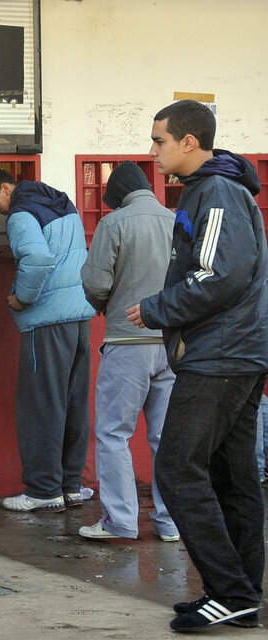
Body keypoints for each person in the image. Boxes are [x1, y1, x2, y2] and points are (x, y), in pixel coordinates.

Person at [127, 100, 268, 631]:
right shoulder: (213, 190)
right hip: (236, 350)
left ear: (190, 142)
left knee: (177, 468)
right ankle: (240, 594)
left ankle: (230, 591)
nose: (152, 149)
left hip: (221, 354)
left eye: (159, 140)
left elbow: (220, 275)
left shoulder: (216, 191)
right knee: (232, 476)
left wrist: (159, 308)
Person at [0, 168, 94, 512]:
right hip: (79, 316)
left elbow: (39, 259)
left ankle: (43, 490)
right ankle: (70, 485)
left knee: (42, 406)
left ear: (5, 187)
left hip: (46, 320)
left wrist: (22, 298)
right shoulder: (64, 204)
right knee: (73, 405)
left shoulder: (22, 213)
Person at [77, 162, 178, 542]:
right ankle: (170, 523)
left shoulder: (114, 223)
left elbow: (96, 281)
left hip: (127, 341)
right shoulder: (176, 220)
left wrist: (103, 303)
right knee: (166, 438)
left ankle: (120, 521)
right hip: (170, 343)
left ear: (117, 195)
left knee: (113, 433)